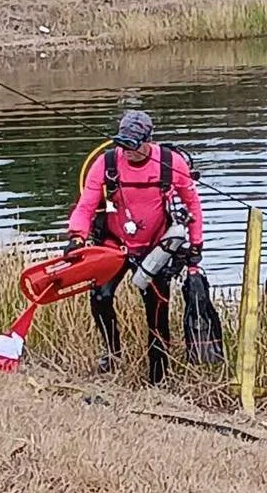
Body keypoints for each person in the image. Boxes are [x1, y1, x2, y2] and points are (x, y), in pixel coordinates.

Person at [66, 110, 204, 385]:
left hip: (156, 247)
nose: (126, 150)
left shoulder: (170, 163)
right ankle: (112, 352)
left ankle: (158, 377)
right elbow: (86, 206)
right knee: (100, 297)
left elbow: (193, 205)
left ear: (148, 141)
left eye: (133, 143)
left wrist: (196, 245)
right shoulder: (105, 163)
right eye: (121, 143)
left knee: (157, 312)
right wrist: (76, 237)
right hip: (114, 245)